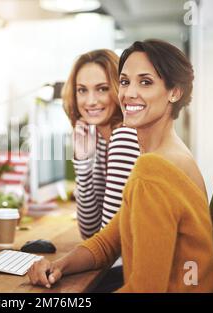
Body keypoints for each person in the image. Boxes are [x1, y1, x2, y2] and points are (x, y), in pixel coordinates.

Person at [29, 39, 213, 292]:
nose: (128, 93)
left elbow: (145, 290)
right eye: (126, 82)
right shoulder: (163, 156)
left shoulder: (155, 170)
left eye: (146, 82)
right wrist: (60, 265)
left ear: (175, 92)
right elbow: (108, 243)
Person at [63, 49, 140, 239]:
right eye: (82, 90)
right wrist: (83, 161)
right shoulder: (101, 140)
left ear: (118, 89)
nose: (90, 101)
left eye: (102, 89)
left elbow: (108, 241)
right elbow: (90, 230)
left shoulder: (125, 137)